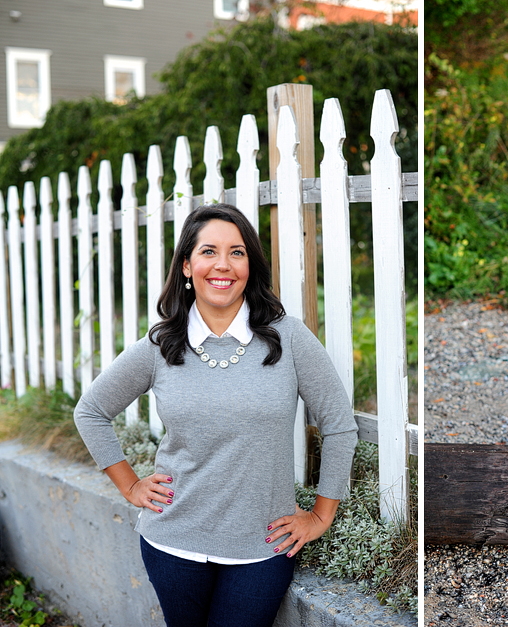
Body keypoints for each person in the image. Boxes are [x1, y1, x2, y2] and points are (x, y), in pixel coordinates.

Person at [74, 203, 358, 627]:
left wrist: (321, 515)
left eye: (237, 252)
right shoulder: (160, 345)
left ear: (251, 266)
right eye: (208, 252)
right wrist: (131, 485)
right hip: (172, 544)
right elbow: (91, 410)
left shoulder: (290, 338)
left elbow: (339, 425)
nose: (222, 265)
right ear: (187, 266)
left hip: (261, 549)